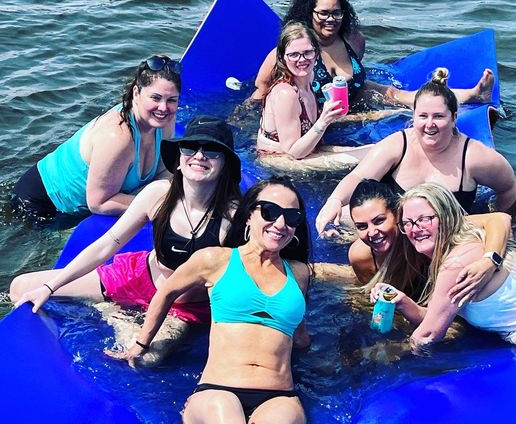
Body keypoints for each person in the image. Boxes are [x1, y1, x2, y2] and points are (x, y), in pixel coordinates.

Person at [10, 116, 242, 365]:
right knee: (21, 287)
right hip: (137, 279)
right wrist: (50, 287)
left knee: (144, 360)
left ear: (225, 163)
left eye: (211, 151)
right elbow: (107, 244)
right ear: (178, 159)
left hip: (181, 308)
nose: (199, 156)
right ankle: (114, 313)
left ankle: (114, 314)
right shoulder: (158, 195)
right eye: (190, 148)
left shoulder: (234, 216)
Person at [108, 176, 311, 423]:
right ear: (249, 215)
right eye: (270, 211)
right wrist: (141, 344)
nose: (280, 223)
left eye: (292, 217)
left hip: (279, 396)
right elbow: (167, 291)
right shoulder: (215, 260)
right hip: (218, 389)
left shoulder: (299, 274)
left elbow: (297, 333)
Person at [370, 183, 516, 360]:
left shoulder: (456, 263)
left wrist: (386, 356)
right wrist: (402, 301)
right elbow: (437, 316)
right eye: (407, 223)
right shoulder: (473, 231)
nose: (415, 229)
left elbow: (428, 336)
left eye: (424, 219)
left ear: (446, 217)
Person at [315, 67, 516, 234]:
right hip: (397, 231)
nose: (429, 124)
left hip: (448, 234)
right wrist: (334, 201)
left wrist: (500, 220)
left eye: (438, 116)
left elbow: (507, 187)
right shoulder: (397, 145)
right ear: (413, 117)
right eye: (423, 116)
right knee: (339, 218)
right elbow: (358, 176)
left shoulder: (475, 157)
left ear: (454, 117)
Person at [252, 0, 494, 111]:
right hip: (322, 116)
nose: (331, 20)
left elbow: (358, 78)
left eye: (337, 13)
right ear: (309, 12)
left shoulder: (353, 39)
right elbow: (262, 88)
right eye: (323, 13)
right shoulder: (294, 51)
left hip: (359, 96)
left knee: (401, 96)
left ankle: (475, 94)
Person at [12, 55, 182, 217]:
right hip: (41, 203)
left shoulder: (164, 120)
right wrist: (161, 206)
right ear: (136, 93)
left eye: (172, 100)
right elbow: (99, 203)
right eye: (155, 98)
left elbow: (163, 173)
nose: (163, 107)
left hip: (83, 205)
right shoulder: (118, 136)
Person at [348, 179, 511, 306]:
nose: (372, 233)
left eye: (379, 221)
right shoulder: (361, 257)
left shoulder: (420, 228)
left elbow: (500, 218)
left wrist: (489, 262)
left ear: (398, 214)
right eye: (362, 226)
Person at [258, 21, 372, 169]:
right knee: (371, 158)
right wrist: (323, 121)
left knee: (378, 149)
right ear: (282, 58)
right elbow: (294, 152)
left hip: (306, 150)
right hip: (279, 158)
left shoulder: (310, 79)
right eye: (293, 55)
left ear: (317, 53)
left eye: (307, 52)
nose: (302, 60)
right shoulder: (286, 94)